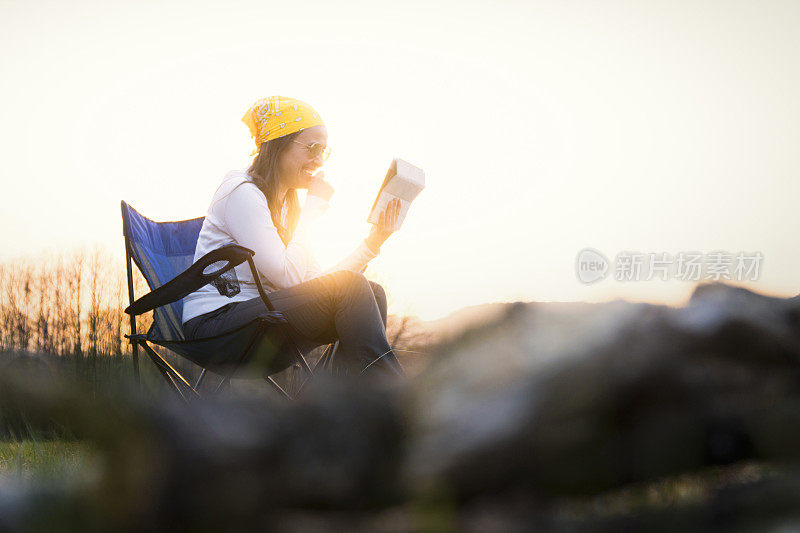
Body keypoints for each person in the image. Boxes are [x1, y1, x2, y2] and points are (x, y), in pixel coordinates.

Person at [181, 96, 404, 378]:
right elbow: (290, 278)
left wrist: (374, 242)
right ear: (278, 146)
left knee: (371, 291)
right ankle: (397, 401)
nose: (320, 160)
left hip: (261, 324)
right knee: (353, 287)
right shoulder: (242, 192)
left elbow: (320, 286)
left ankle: (344, 409)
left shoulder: (287, 206)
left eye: (324, 151)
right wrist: (312, 208)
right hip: (217, 330)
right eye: (312, 148)